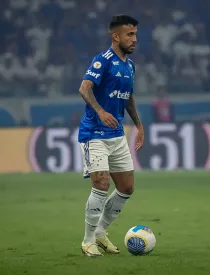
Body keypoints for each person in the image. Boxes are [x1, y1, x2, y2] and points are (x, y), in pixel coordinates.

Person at [77, 15, 144, 257]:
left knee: (126, 187)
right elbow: (84, 88)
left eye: (135, 34)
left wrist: (139, 124)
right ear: (115, 36)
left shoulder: (130, 66)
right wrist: (101, 110)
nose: (135, 39)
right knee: (101, 184)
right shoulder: (102, 61)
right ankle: (87, 241)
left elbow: (128, 97)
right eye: (130, 35)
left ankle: (101, 233)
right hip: (94, 134)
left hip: (116, 135)